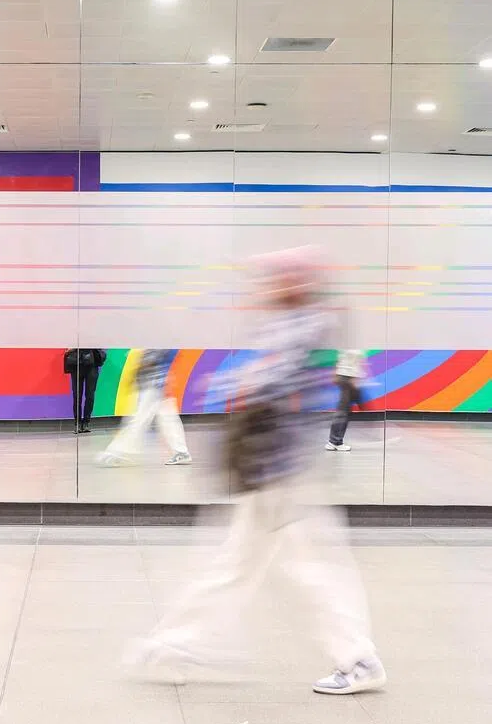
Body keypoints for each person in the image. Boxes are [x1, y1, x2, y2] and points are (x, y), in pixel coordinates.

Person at [124, 247, 386, 696]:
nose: (268, 287)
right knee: (242, 562)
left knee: (304, 566)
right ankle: (176, 645)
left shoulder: (304, 322)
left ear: (297, 284)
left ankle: (358, 658)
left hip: (282, 471)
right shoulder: (298, 321)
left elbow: (273, 379)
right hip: (274, 468)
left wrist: (235, 383)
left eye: (278, 279)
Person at [96, 349, 191, 466]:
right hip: (158, 382)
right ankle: (181, 452)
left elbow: (154, 358)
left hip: (153, 383)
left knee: (139, 419)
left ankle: (116, 452)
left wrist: (140, 365)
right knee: (168, 419)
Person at [327, 348, 367, 452]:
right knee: (343, 411)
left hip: (345, 377)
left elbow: (340, 358)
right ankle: (335, 441)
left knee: (344, 410)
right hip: (347, 378)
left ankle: (333, 441)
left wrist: (336, 374)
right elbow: (353, 361)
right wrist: (354, 378)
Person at [64, 347, 106, 433]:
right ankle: (77, 423)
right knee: (77, 396)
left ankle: (86, 422)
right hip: (76, 363)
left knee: (90, 395)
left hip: (92, 363)